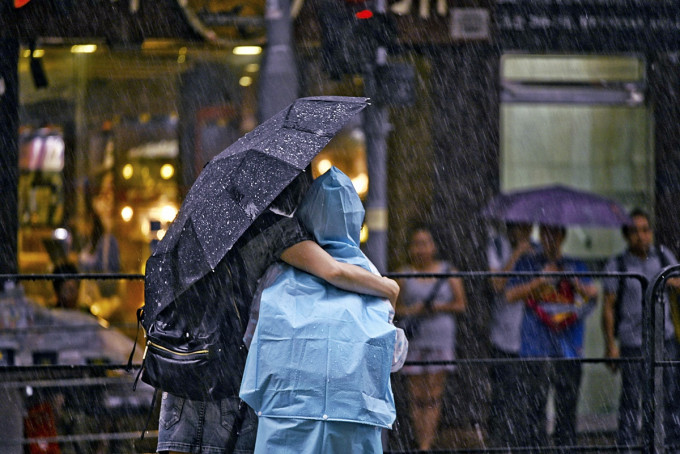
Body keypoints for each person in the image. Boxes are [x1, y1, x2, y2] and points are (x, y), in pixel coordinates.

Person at [157, 171, 400, 454]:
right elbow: (333, 271)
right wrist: (388, 287)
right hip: (224, 377)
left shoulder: (217, 225)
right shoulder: (273, 231)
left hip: (185, 367)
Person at [240, 167, 407, 453]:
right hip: (354, 419)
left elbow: (253, 338)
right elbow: (391, 357)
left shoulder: (279, 272)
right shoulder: (371, 278)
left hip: (286, 416)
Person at [505, 224, 598, 451]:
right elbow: (510, 294)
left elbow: (593, 294)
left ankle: (564, 448)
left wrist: (572, 279)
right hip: (535, 346)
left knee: (567, 409)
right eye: (545, 233)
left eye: (555, 233)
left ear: (563, 236)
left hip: (569, 347)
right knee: (533, 409)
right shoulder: (529, 262)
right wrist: (540, 280)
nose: (550, 239)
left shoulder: (575, 264)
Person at [601, 207, 680, 450]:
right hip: (633, 343)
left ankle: (667, 446)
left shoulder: (664, 257)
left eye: (645, 230)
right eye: (635, 231)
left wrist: (673, 282)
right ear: (626, 235)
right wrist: (610, 346)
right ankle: (628, 447)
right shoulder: (619, 263)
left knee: (668, 398)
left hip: (663, 340)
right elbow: (608, 307)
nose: (641, 236)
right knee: (631, 401)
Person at [395, 223, 467, 451]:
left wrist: (438, 306)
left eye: (425, 243)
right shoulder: (403, 275)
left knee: (434, 395)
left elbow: (461, 304)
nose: (420, 249)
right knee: (417, 395)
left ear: (434, 246)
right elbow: (392, 308)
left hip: (439, 341)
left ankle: (427, 443)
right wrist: (413, 310)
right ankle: (421, 441)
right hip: (414, 341)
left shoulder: (448, 271)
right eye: (416, 244)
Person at [485, 222, 535, 448]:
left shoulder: (536, 251)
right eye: (517, 228)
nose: (522, 233)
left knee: (529, 397)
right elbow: (497, 285)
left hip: (531, 336)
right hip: (503, 335)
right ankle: (500, 443)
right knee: (503, 396)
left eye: (526, 228)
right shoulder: (497, 246)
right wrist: (516, 254)